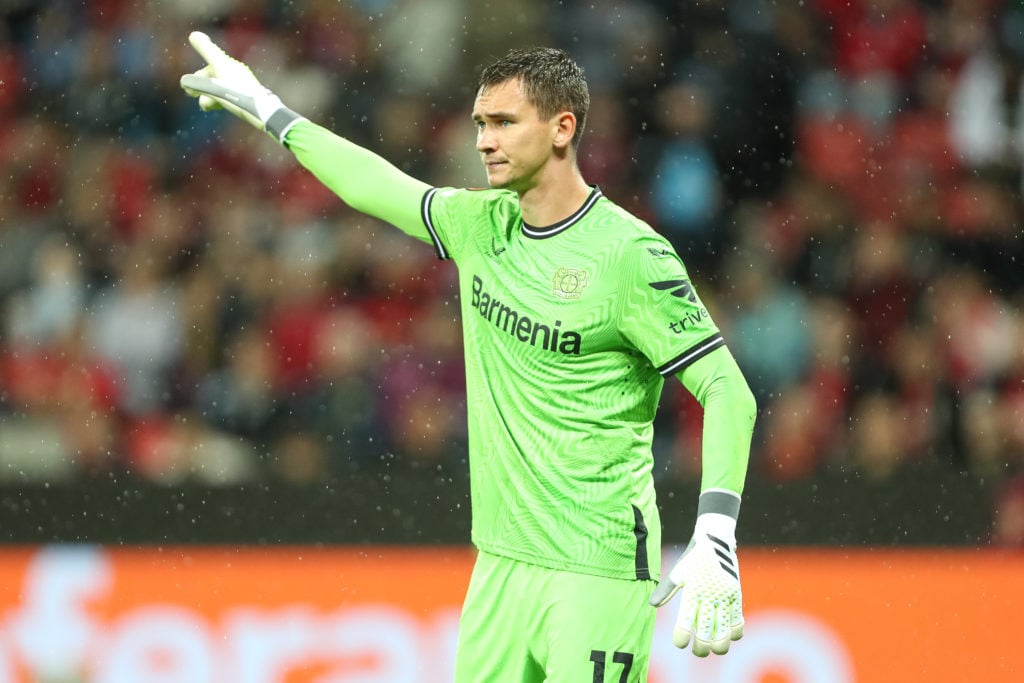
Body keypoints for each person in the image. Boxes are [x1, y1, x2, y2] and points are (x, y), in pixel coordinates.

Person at [181, 31, 756, 681]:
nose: (484, 140)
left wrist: (715, 529)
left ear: (562, 128)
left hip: (595, 570)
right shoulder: (479, 225)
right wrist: (268, 109)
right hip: (500, 567)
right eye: (481, 123)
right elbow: (374, 184)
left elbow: (728, 390)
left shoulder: (630, 255)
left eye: (504, 123)